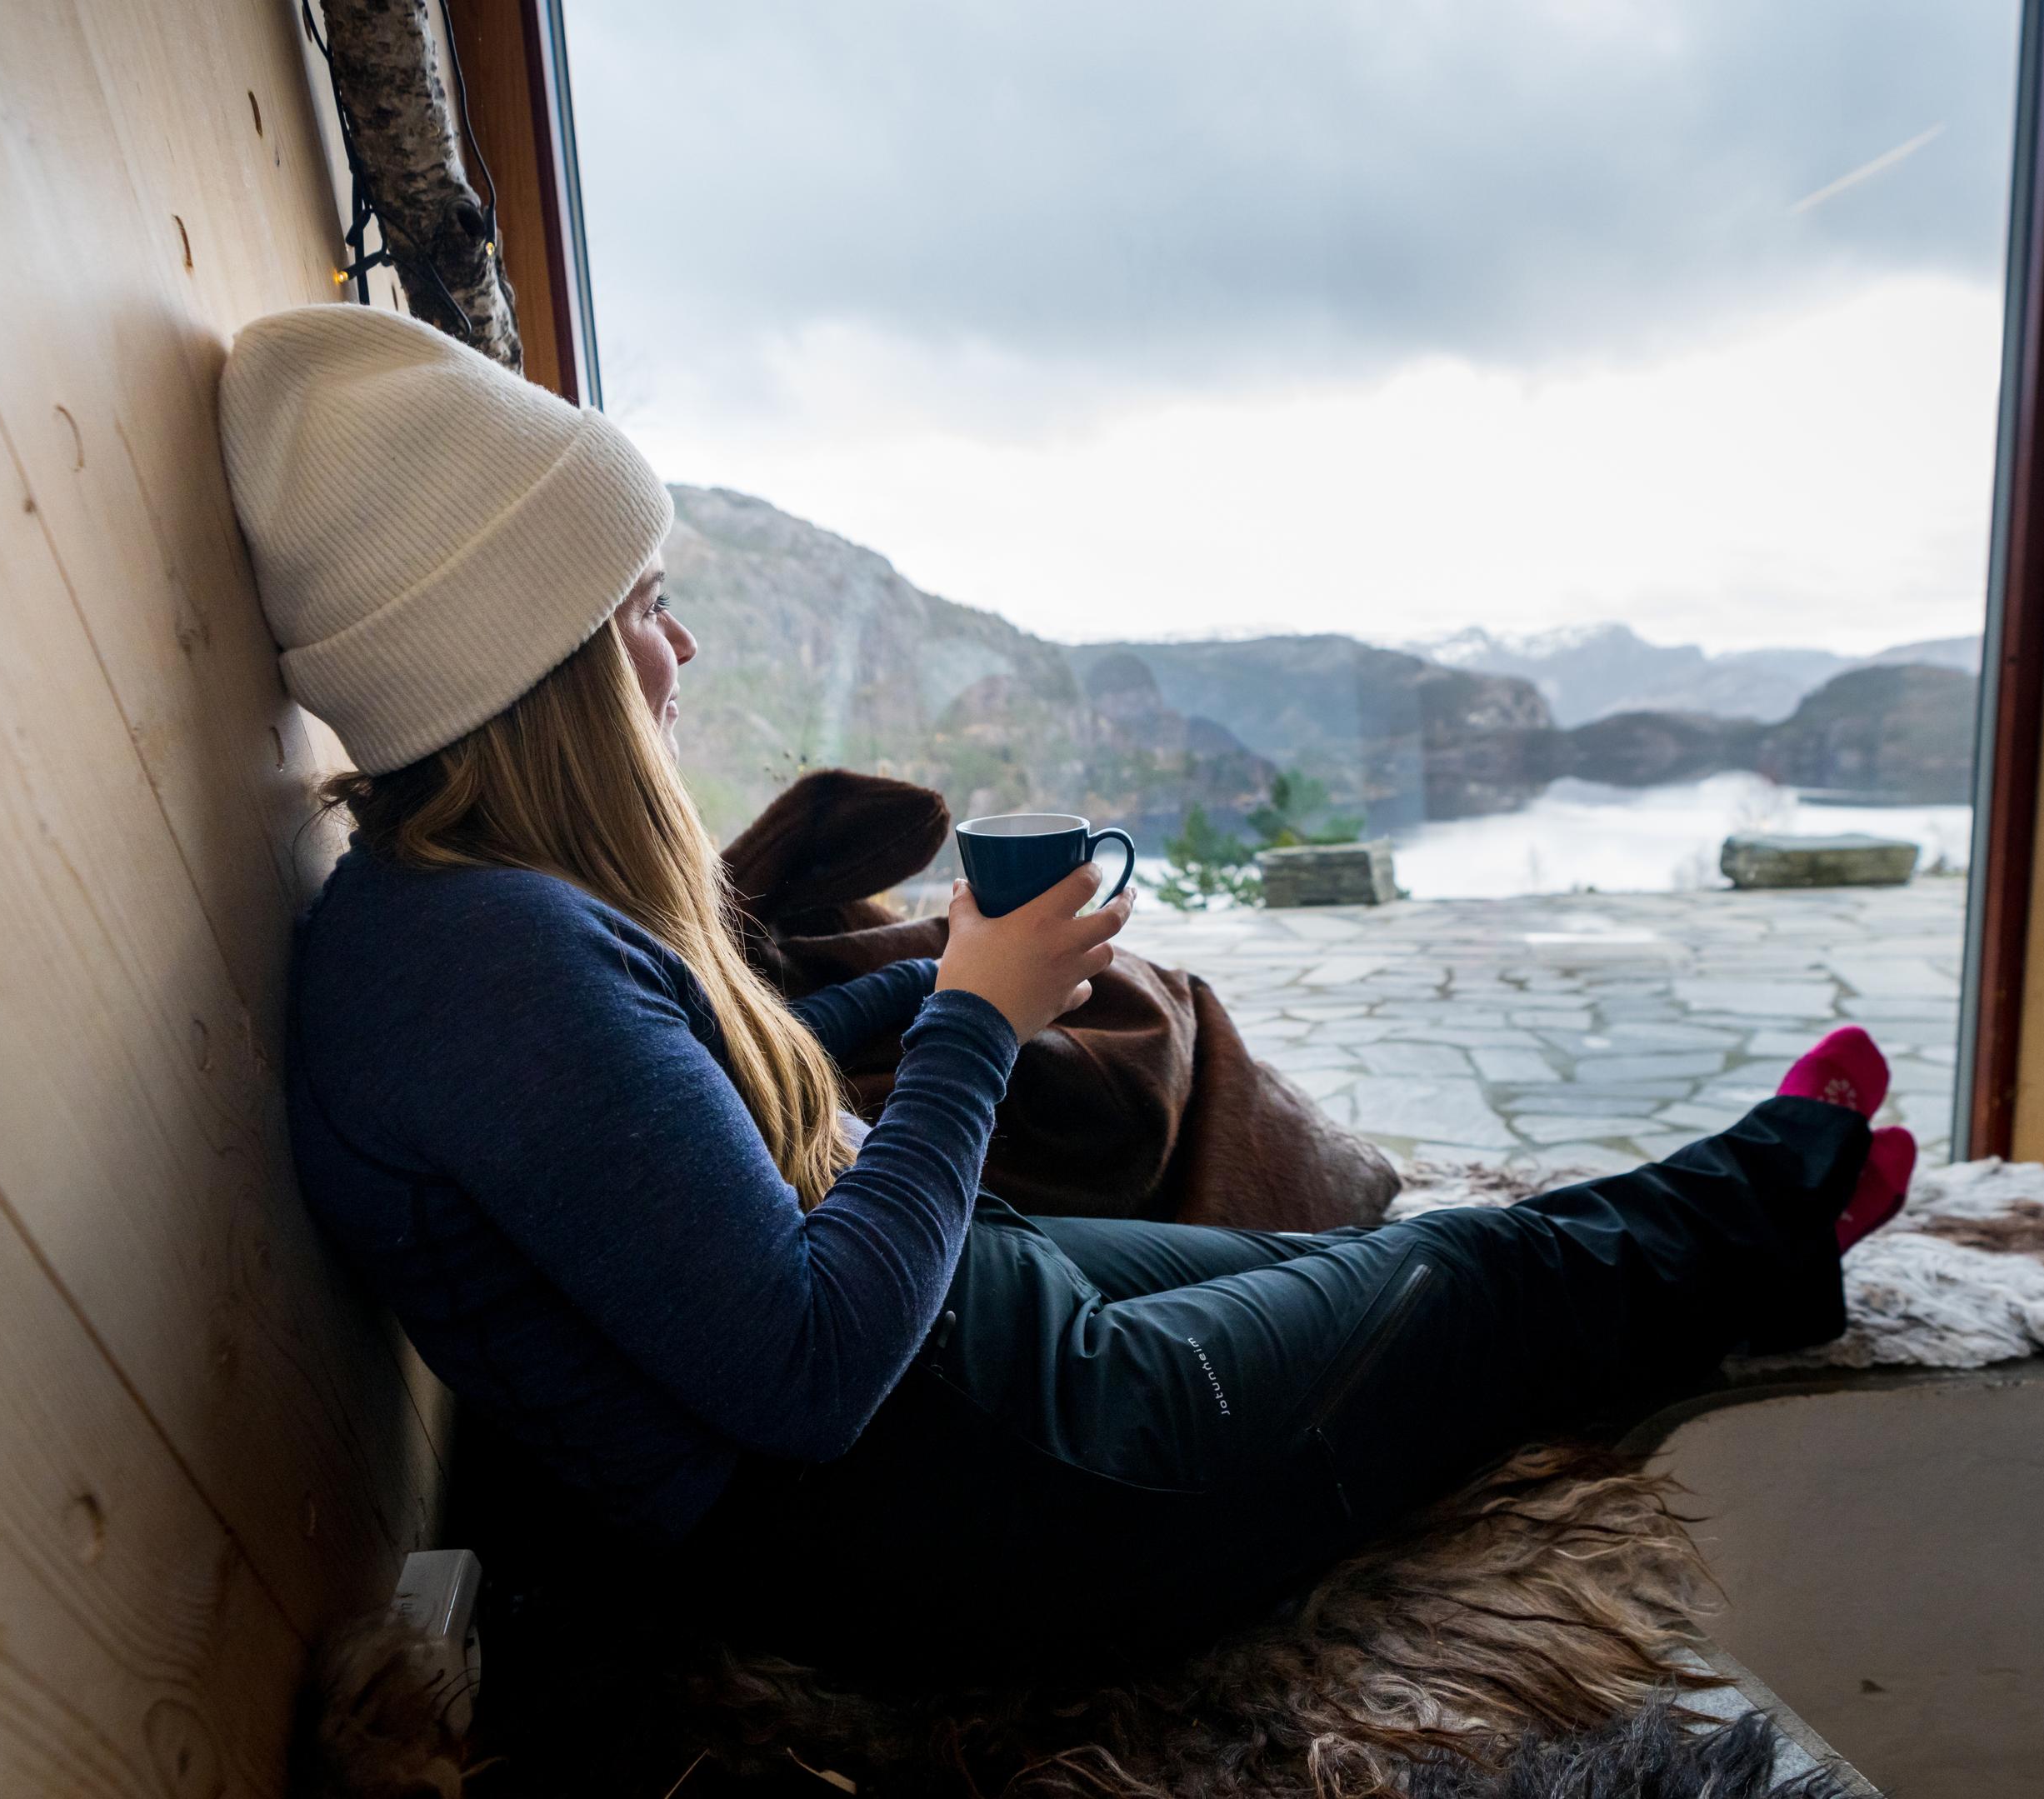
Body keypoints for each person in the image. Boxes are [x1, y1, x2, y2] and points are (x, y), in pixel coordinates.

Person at [222, 304, 1916, 1681]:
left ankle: (1751, 1214)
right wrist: (971, 1019)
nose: (681, 655)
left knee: (1362, 1263)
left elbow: (645, 1142)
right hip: (974, 1509)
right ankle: (1783, 1199)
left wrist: (958, 991)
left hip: (961, 1366)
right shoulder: (486, 966)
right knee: (1476, 1268)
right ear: (546, 666)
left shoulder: (437, 917)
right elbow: (809, 1368)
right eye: (647, 613)